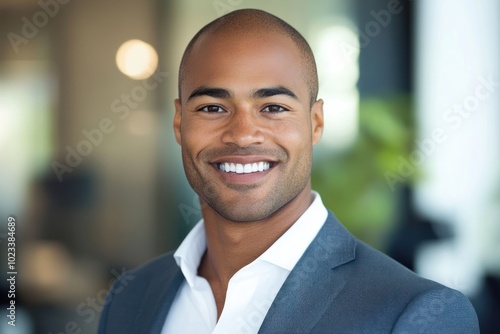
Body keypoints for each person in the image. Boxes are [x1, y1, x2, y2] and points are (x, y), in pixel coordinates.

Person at [98, 9, 479, 334]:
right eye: (213, 108)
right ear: (180, 123)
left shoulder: (416, 314)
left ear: (315, 123)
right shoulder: (131, 297)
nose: (243, 134)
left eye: (274, 108)